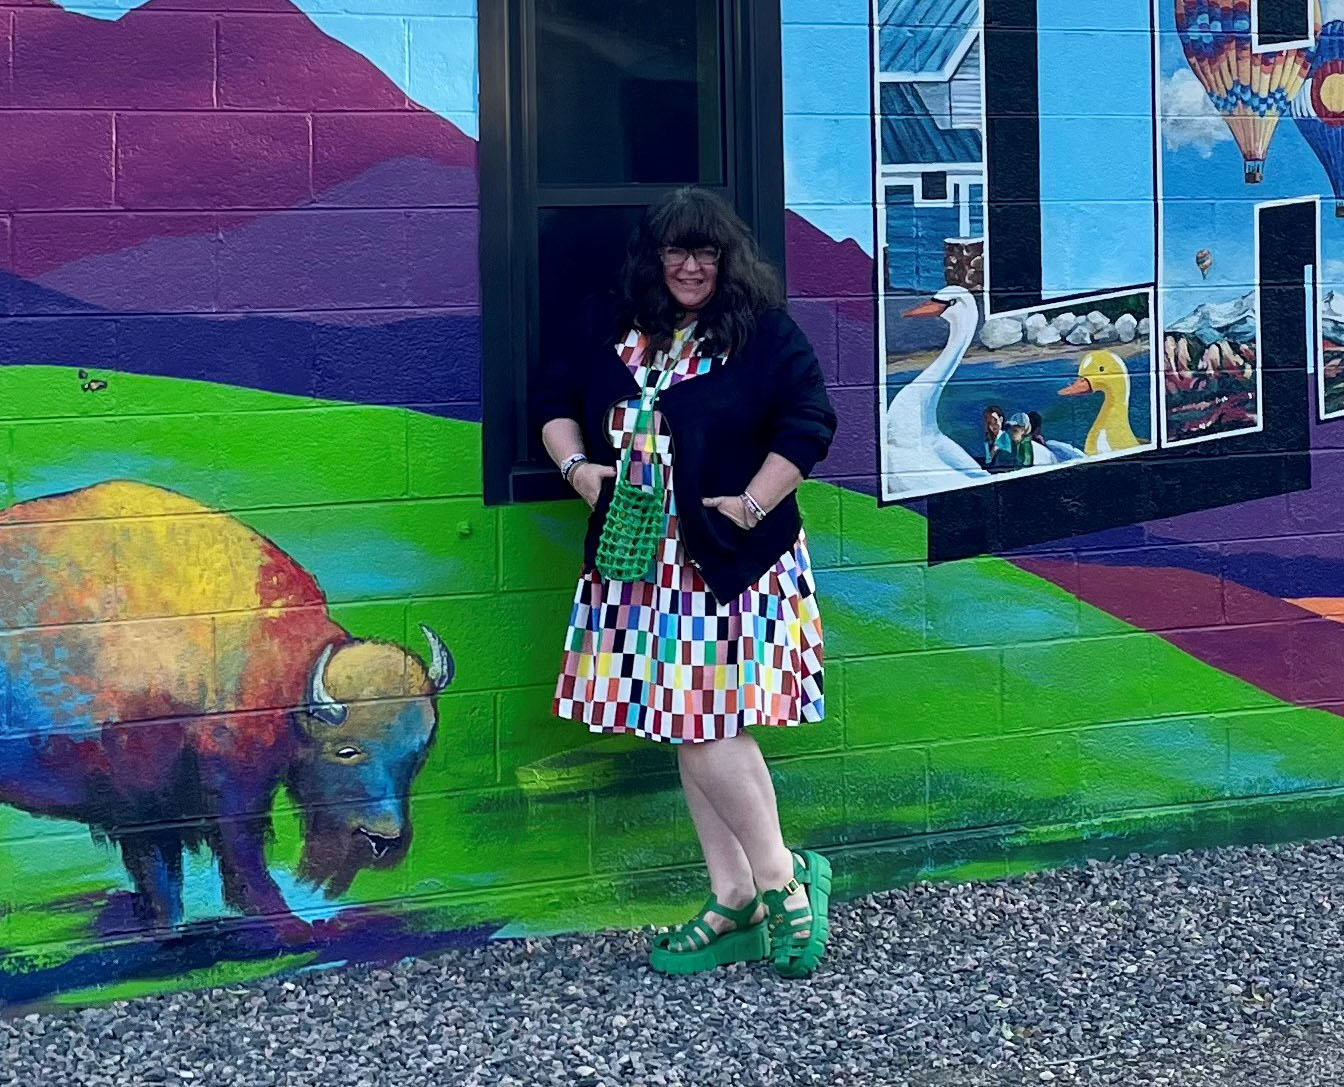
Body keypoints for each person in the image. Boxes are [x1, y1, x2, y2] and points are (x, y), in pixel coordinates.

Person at [531, 187, 838, 979]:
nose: (692, 265)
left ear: (726, 257)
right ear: (653, 255)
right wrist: (578, 472)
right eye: (677, 250)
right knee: (688, 721)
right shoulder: (610, 328)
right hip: (639, 558)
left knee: (705, 722)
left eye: (706, 251)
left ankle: (780, 877)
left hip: (729, 558)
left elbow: (809, 422)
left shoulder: (761, 333)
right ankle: (732, 895)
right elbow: (555, 402)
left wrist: (749, 503)